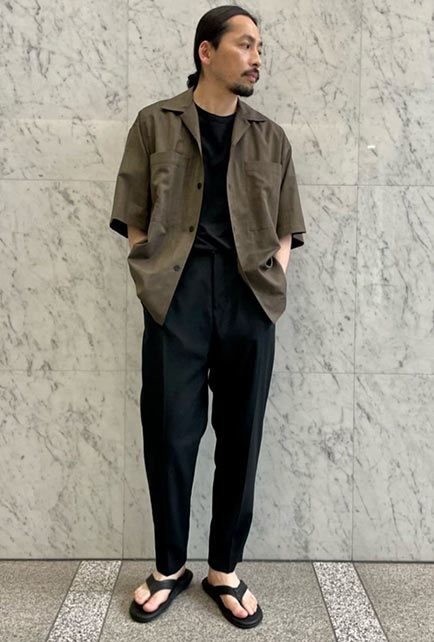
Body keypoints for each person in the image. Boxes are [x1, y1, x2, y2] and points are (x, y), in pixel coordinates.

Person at [109, 4, 307, 629]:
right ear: (206, 51)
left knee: (241, 437)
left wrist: (272, 280)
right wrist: (151, 276)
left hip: (249, 298)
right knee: (170, 434)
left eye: (259, 48)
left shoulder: (271, 136)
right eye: (245, 45)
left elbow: (287, 226)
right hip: (177, 296)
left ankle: (224, 567)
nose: (256, 58)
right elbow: (133, 213)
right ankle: (170, 565)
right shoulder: (154, 123)